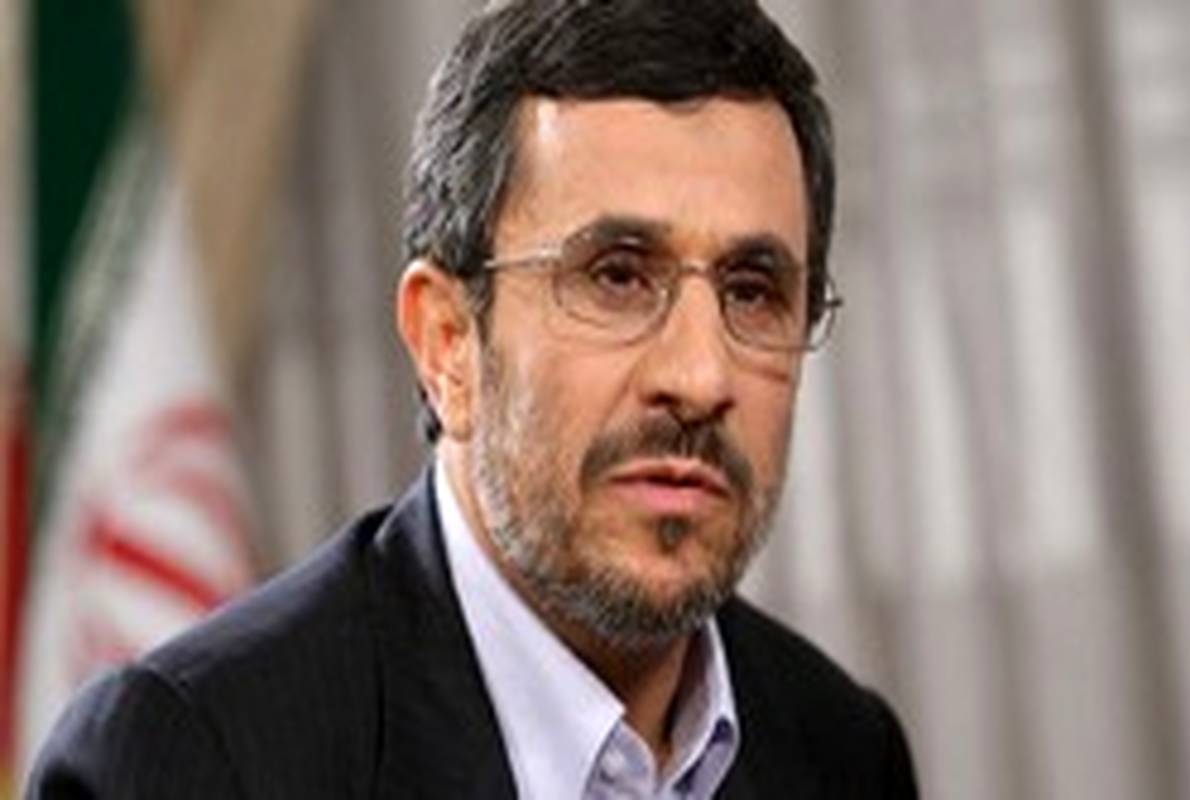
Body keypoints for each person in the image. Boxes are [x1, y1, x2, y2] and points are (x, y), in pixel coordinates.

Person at [28, 1, 918, 797]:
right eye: (616, 277)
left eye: (753, 291)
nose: (700, 377)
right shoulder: (195, 761)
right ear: (447, 343)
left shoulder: (843, 751)